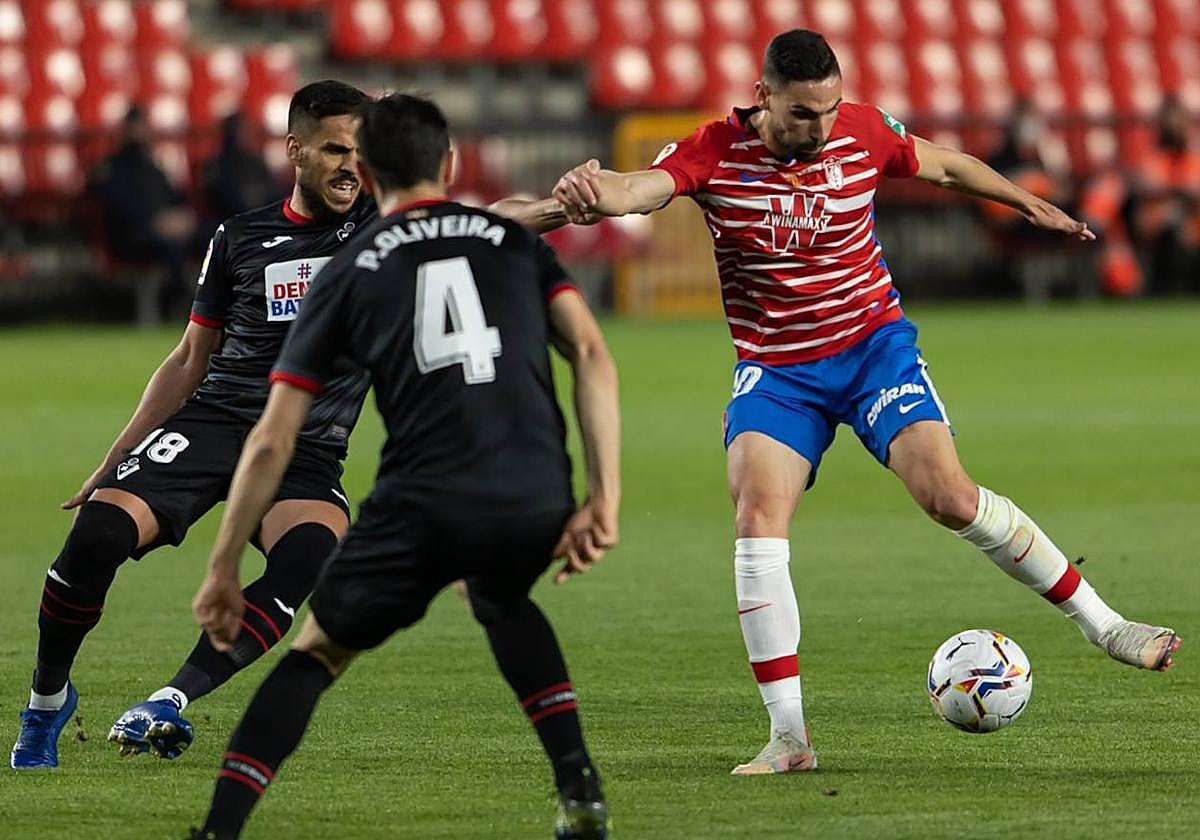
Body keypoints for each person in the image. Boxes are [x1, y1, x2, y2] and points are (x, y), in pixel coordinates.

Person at [553, 29, 1181, 776]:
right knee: (757, 513)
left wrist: (1026, 203)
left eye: (827, 109)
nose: (818, 128)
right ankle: (789, 738)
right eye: (800, 114)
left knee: (949, 497)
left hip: (873, 348)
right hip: (780, 369)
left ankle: (1105, 626)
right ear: (762, 99)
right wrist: (597, 193)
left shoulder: (863, 127)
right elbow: (639, 189)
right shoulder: (714, 151)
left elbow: (945, 166)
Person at [11, 80, 575, 770]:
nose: (351, 165)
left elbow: (490, 217)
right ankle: (45, 703)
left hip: (308, 445)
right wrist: (118, 454)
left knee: (308, 555)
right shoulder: (240, 237)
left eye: (361, 151)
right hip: (218, 421)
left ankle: (167, 700)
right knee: (97, 533)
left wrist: (562, 205)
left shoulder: (385, 228)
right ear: (295, 152)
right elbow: (191, 357)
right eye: (335, 149)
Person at [187, 92, 618, 840]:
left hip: (423, 500)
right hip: (532, 489)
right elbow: (590, 352)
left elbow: (271, 438)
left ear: (372, 173)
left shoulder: (349, 267)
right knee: (502, 597)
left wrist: (223, 562)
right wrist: (603, 496)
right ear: (449, 163)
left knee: (316, 652)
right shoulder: (510, 240)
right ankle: (579, 785)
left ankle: (219, 831)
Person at [89, 105, 198, 316]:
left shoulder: (153, 167)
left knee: (213, 236)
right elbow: (118, 211)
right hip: (132, 237)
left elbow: (175, 198)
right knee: (171, 246)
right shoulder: (113, 167)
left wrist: (182, 218)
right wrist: (155, 222)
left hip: (165, 230)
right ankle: (181, 301)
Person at [201, 111, 281, 229]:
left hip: (261, 222)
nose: (247, 135)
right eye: (242, 131)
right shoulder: (215, 166)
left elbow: (274, 192)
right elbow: (218, 201)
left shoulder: (256, 162)